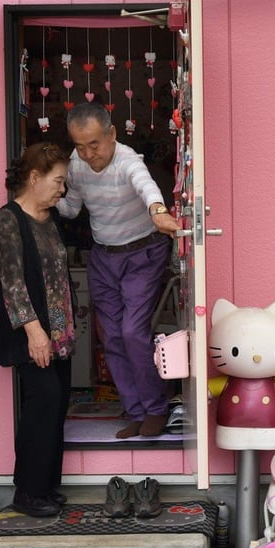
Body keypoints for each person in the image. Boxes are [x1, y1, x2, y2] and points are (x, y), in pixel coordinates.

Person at [58, 103, 178, 439]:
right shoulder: (76, 165)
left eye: (94, 144)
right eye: (80, 146)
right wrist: (46, 194)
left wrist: (158, 210)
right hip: (103, 257)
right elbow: (72, 208)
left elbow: (146, 187)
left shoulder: (128, 161)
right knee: (109, 336)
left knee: (131, 333)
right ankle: (135, 410)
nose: (88, 153)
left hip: (143, 253)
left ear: (111, 134)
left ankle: (155, 408)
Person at [0, 143, 75, 517]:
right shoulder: (9, 219)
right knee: (43, 402)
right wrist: (35, 333)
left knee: (56, 405)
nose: (62, 190)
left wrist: (63, 331)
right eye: (58, 181)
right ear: (35, 177)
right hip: (32, 333)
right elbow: (13, 283)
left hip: (59, 332)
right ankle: (26, 491)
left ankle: (45, 487)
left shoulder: (49, 218)